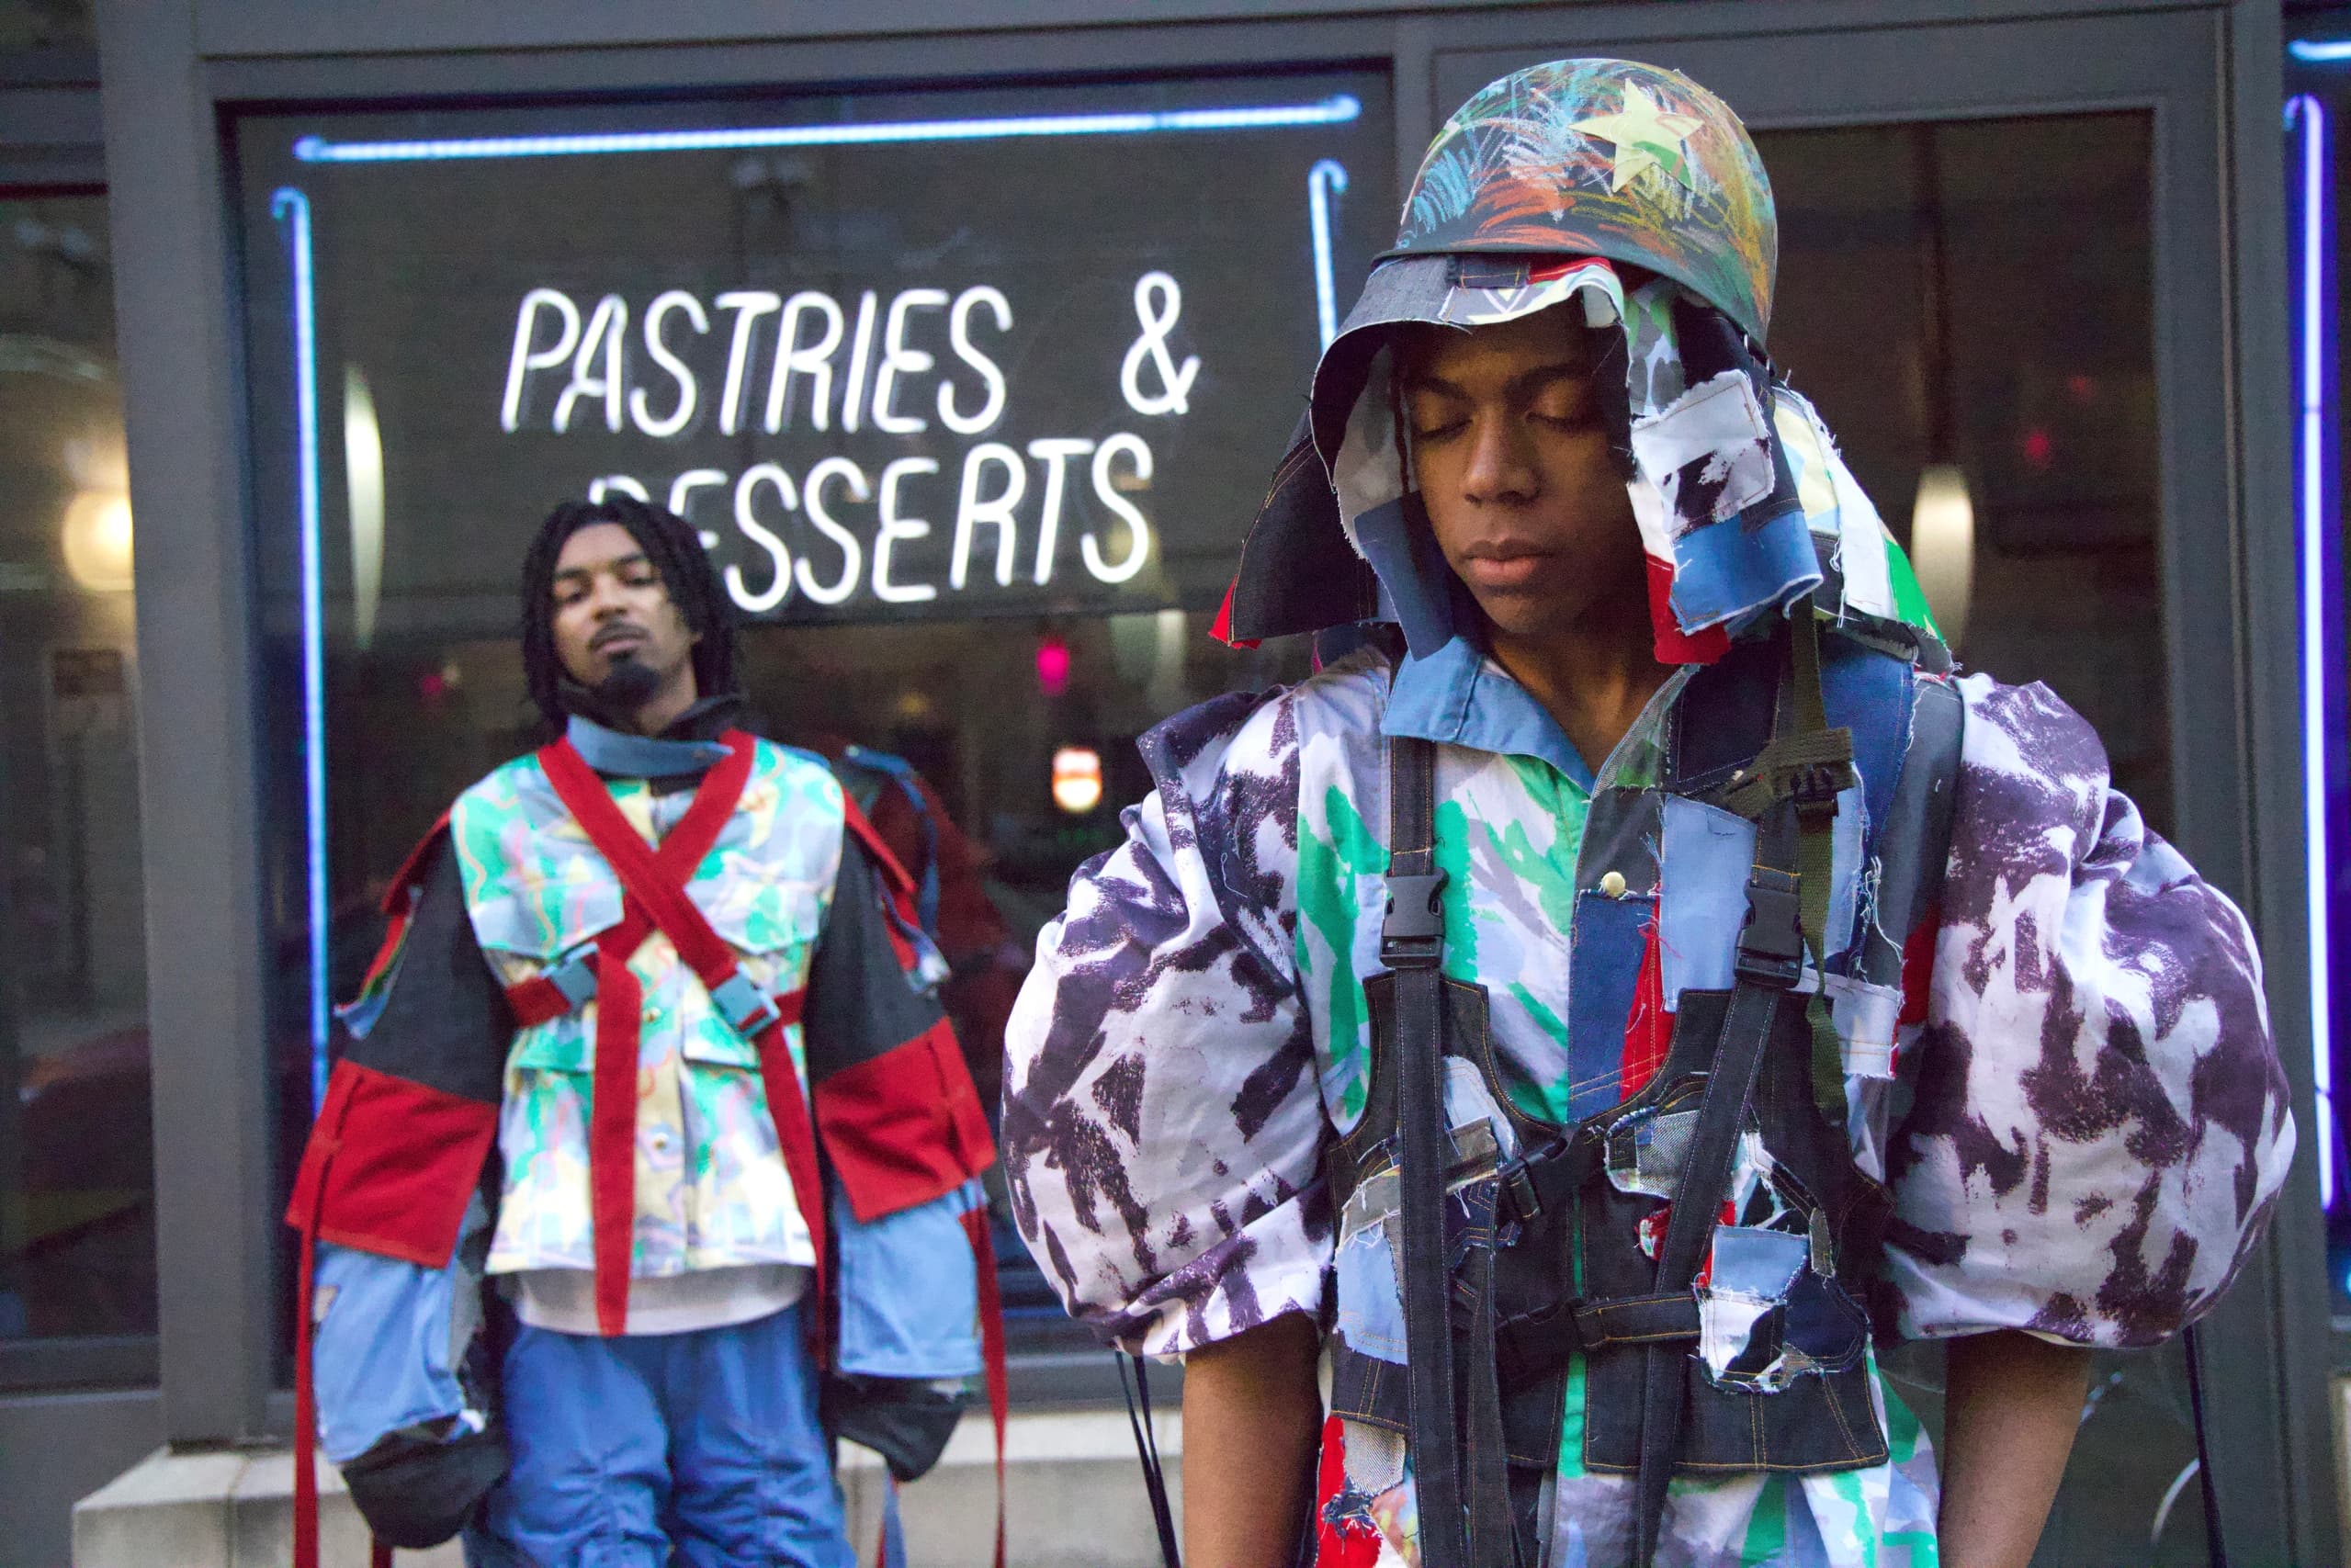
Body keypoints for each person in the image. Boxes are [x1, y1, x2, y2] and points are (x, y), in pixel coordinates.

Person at [1002, 58, 2294, 1568]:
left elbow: (2045, 1279)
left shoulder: (1925, 773)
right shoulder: (1289, 801)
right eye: (1433, 420)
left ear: (1696, 417)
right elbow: (1244, 1302)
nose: (1488, 477)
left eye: (1562, 407)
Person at [284, 494, 999, 1568]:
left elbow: (888, 1092)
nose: (604, 604)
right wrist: (396, 1407)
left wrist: (912, 1353)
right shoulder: (489, 830)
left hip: (763, 1314)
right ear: (547, 636)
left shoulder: (807, 813)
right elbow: (406, 1124)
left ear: (693, 610)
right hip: (560, 1323)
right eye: (571, 594)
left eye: (632, 578)